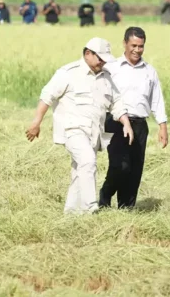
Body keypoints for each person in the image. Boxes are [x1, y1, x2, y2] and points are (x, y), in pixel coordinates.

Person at [25, 38, 134, 215]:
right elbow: (47, 96)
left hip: (94, 134)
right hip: (72, 130)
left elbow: (116, 103)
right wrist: (36, 123)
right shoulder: (68, 73)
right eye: (99, 58)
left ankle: (71, 213)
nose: (102, 62)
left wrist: (126, 123)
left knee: (79, 171)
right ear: (87, 54)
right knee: (88, 162)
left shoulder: (106, 77)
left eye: (105, 59)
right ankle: (90, 207)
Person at [99, 27, 168, 210]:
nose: (137, 50)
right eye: (134, 45)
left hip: (139, 125)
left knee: (135, 169)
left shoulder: (149, 71)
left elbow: (157, 99)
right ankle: (104, 197)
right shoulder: (111, 68)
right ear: (124, 44)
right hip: (115, 123)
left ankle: (126, 209)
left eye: (141, 46)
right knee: (119, 166)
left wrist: (162, 126)